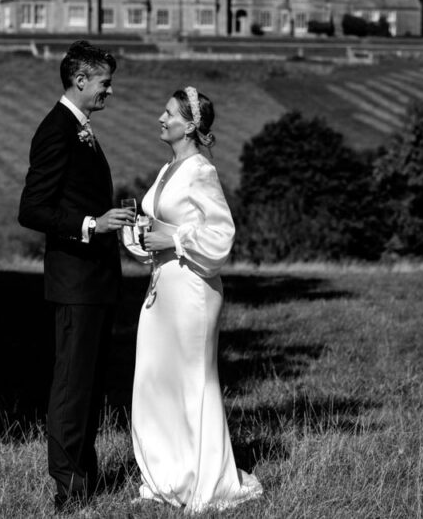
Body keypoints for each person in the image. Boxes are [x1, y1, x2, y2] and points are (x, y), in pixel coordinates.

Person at [121, 86, 263, 513]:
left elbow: (221, 236)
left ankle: (205, 485)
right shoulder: (168, 169)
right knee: (154, 380)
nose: (160, 119)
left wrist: (174, 238)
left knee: (192, 384)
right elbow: (159, 226)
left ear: (190, 125)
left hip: (193, 292)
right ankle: (165, 479)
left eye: (168, 114)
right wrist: (142, 235)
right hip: (162, 287)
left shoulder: (200, 170)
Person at [17, 40, 135, 512]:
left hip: (96, 281)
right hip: (74, 282)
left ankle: (85, 478)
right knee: (71, 385)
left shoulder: (80, 128)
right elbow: (32, 210)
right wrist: (92, 225)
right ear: (80, 80)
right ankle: (68, 488)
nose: (110, 89)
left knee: (88, 383)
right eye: (104, 81)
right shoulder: (57, 130)